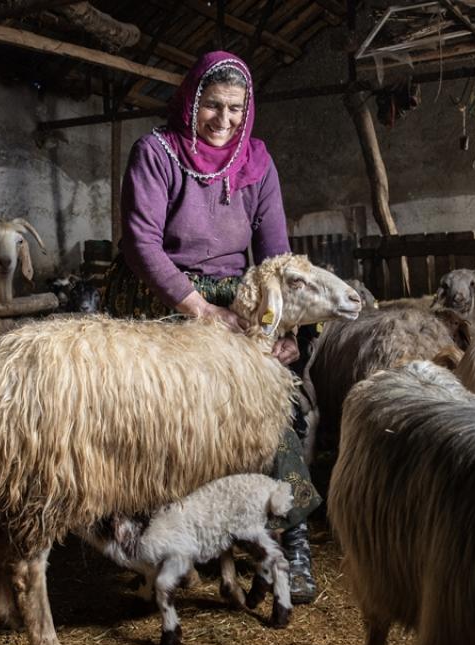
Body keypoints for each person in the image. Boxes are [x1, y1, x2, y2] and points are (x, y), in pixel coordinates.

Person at [101, 50, 319, 603]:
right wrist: (200, 310)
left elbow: (276, 257)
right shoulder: (156, 153)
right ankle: (151, 535)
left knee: (270, 402)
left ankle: (294, 542)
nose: (224, 119)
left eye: (235, 108)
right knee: (154, 411)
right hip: (160, 293)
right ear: (191, 101)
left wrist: (284, 329)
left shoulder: (257, 163)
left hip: (233, 294)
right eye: (213, 106)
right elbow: (141, 243)